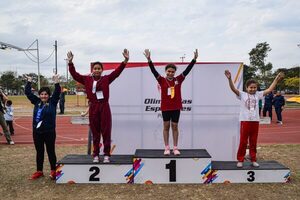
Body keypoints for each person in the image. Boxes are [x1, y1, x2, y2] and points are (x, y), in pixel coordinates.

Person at [67, 49, 129, 163]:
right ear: (92, 70)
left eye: (99, 68)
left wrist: (125, 61)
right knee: (95, 132)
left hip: (104, 107)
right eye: (95, 68)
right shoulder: (86, 79)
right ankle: (95, 154)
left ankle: (106, 155)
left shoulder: (106, 79)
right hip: (93, 107)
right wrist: (70, 63)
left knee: (106, 131)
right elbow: (75, 75)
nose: (97, 70)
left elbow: (117, 72)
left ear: (102, 70)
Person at [143, 49, 198, 155]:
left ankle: (175, 148)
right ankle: (167, 147)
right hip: (165, 107)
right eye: (169, 71)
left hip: (176, 107)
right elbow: (153, 71)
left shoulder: (178, 79)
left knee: (175, 126)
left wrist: (194, 60)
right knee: (166, 126)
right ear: (166, 71)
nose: (171, 73)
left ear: (174, 72)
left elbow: (187, 70)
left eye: (172, 71)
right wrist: (149, 60)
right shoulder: (162, 80)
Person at [224, 70, 284, 168]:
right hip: (245, 121)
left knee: (253, 141)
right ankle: (240, 159)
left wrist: (276, 80)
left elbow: (269, 89)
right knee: (243, 141)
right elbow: (233, 89)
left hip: (255, 121)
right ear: (246, 88)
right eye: (251, 87)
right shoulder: (242, 94)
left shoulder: (258, 95)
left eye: (254, 87)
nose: (253, 89)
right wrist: (230, 79)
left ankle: (253, 159)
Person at [25, 74, 61, 180]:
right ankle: (39, 171)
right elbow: (28, 93)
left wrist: (57, 83)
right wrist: (29, 82)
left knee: (50, 151)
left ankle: (53, 171)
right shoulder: (37, 102)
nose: (43, 96)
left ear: (49, 95)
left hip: (49, 132)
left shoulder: (53, 102)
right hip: (37, 132)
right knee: (39, 151)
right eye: (41, 94)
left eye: (46, 94)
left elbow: (57, 92)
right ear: (39, 95)